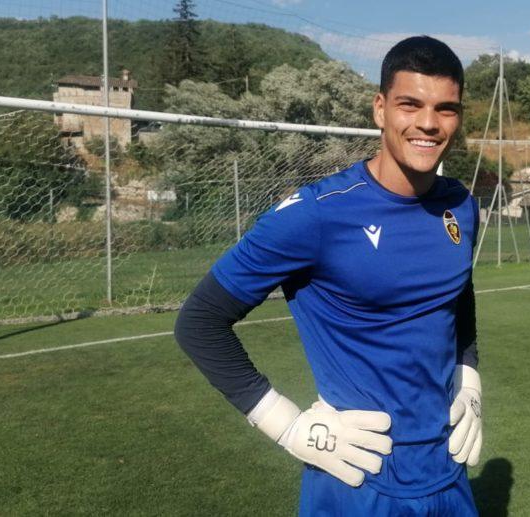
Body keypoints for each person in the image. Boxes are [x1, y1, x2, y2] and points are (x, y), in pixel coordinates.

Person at [174, 35, 482, 516]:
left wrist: (470, 382)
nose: (428, 122)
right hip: (357, 480)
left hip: (449, 473)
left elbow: (457, 295)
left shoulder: (461, 206)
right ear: (380, 109)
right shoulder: (315, 214)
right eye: (410, 104)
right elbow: (199, 321)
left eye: (446, 109)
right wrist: (287, 425)